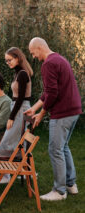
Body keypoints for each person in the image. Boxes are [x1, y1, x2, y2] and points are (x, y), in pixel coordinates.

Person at [25, 37, 82, 201]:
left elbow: (52, 93)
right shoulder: (60, 59)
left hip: (63, 113)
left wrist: (41, 114)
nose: (33, 56)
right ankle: (71, 184)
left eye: (33, 52)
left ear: (40, 47)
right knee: (63, 147)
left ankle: (59, 191)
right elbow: (49, 92)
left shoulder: (48, 64)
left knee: (55, 149)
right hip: (74, 111)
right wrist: (34, 108)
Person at [0, 47, 33, 184]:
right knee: (18, 142)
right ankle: (25, 172)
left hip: (20, 109)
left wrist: (11, 117)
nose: (8, 62)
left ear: (17, 58)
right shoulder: (18, 73)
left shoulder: (22, 74)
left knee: (6, 142)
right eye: (6, 61)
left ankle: (5, 175)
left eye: (9, 60)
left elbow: (21, 97)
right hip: (18, 108)